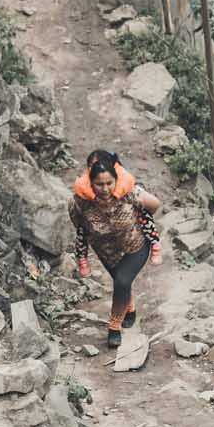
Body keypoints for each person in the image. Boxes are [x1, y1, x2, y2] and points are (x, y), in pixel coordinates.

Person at [70, 149, 164, 349]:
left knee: (122, 280)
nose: (104, 189)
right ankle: (129, 306)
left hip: (135, 245)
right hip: (106, 251)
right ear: (90, 179)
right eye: (99, 184)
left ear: (115, 178)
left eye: (108, 183)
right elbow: (78, 223)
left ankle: (114, 326)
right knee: (121, 282)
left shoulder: (130, 193)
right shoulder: (80, 202)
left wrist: (141, 218)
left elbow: (154, 205)